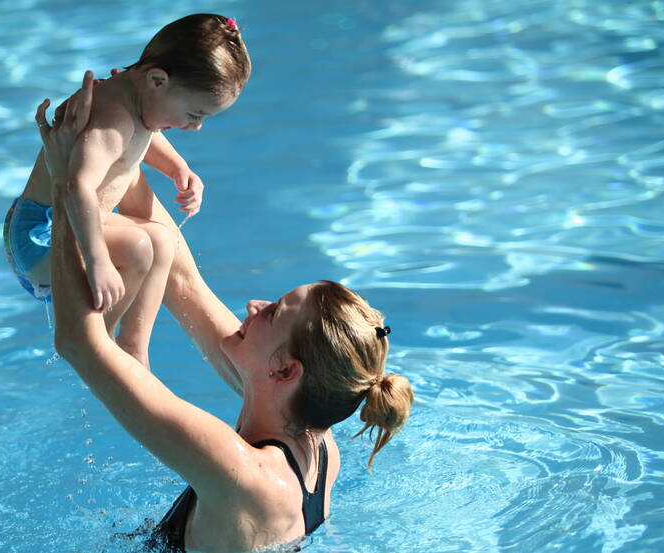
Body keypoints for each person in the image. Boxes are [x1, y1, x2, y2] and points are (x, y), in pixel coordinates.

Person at [37, 75, 414, 552]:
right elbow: (181, 279)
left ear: (283, 369)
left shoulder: (242, 471)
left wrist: (62, 183)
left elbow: (78, 342)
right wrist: (131, 125)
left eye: (273, 312)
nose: (254, 305)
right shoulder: (317, 445)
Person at [3, 14, 251, 368]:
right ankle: (97, 344)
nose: (195, 127)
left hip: (75, 225)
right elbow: (76, 186)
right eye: (195, 114)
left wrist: (179, 169)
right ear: (157, 80)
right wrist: (97, 260)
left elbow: (145, 137)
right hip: (40, 237)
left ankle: (133, 347)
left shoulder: (137, 100)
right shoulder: (110, 118)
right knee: (138, 248)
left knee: (163, 240)